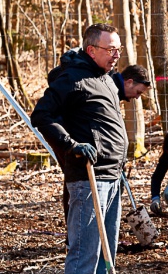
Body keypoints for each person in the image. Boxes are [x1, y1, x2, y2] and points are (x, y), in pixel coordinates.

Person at [31, 23, 127, 274]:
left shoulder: (107, 81)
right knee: (84, 251)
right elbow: (42, 115)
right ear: (91, 50)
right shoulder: (72, 79)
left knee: (105, 253)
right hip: (88, 178)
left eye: (118, 48)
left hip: (112, 175)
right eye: (110, 48)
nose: (116, 54)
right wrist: (72, 144)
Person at [50, 60, 151, 234]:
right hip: (71, 140)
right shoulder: (103, 81)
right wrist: (71, 142)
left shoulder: (112, 87)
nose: (137, 96)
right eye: (138, 92)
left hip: (95, 147)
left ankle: (98, 229)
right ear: (129, 82)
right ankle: (75, 233)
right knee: (75, 181)